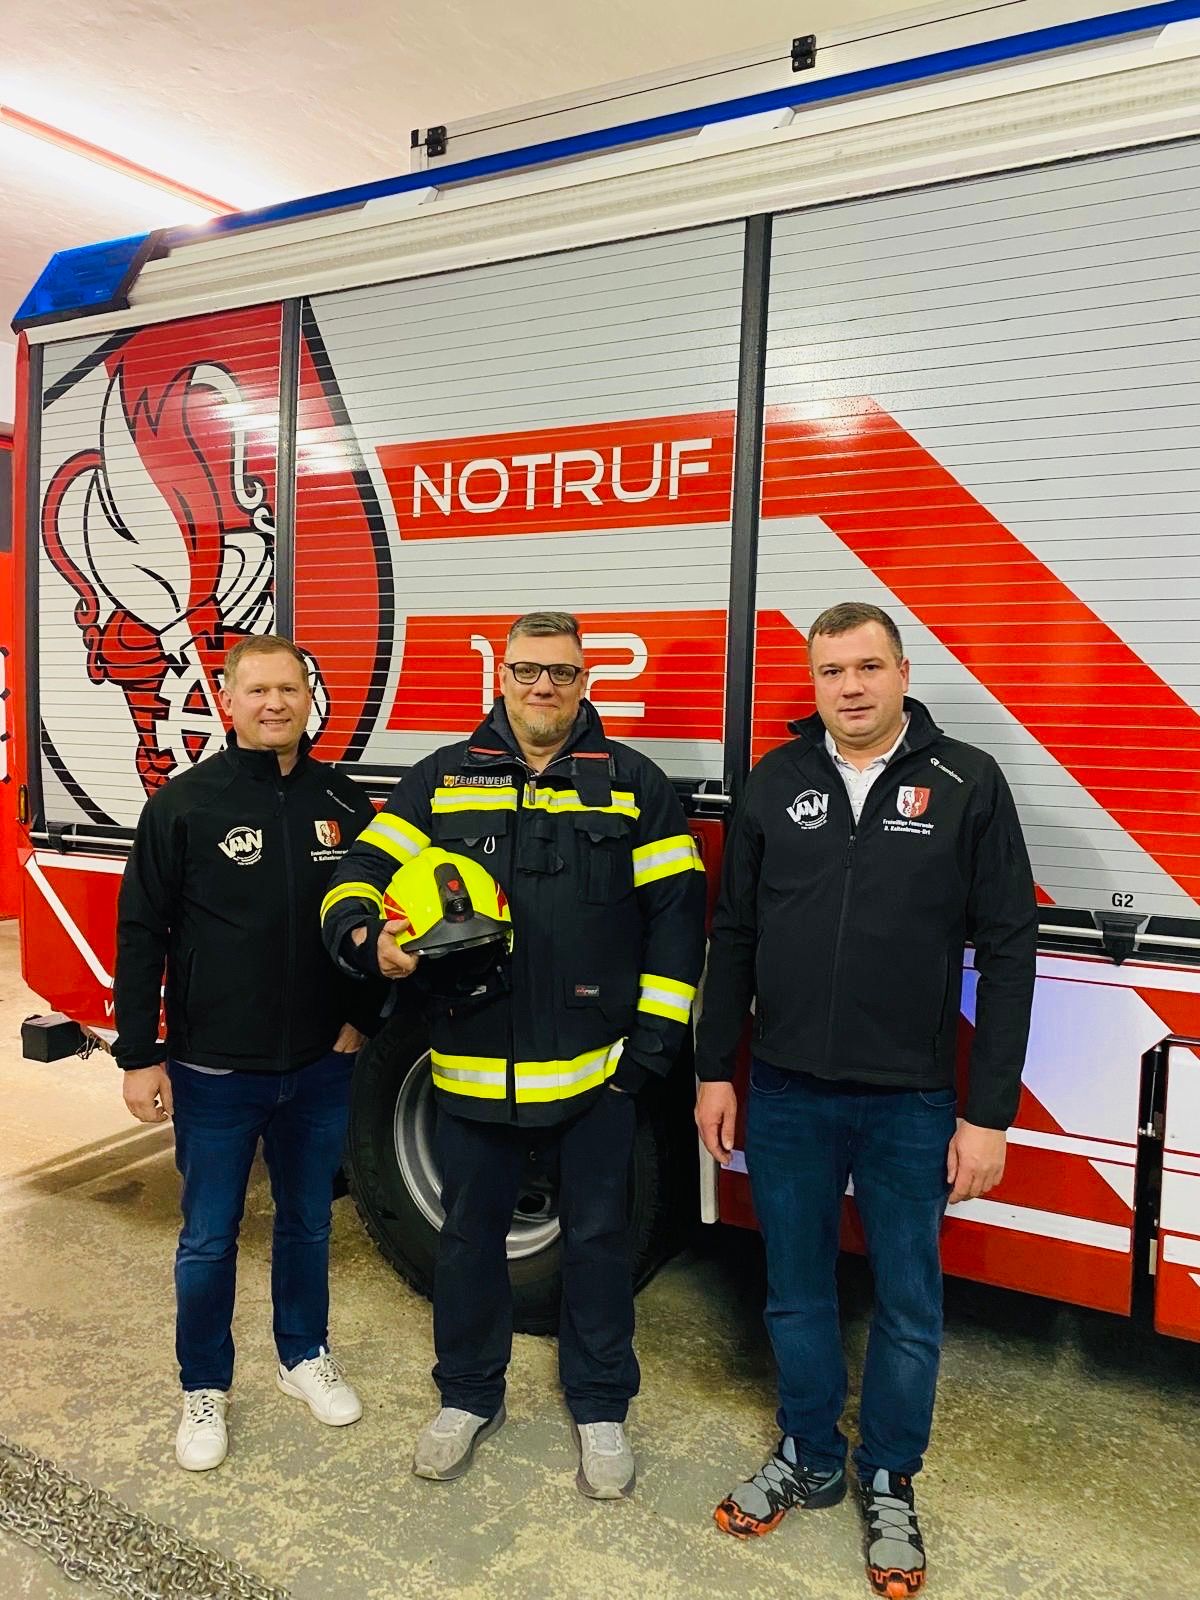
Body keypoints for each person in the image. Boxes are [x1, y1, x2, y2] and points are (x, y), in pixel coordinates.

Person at [321, 611, 706, 1499]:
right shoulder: (441, 780)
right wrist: (368, 941)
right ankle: (466, 1397)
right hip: (468, 1070)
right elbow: (357, 877)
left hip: (595, 1080)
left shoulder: (633, 786)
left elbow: (678, 922)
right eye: (528, 670)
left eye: (562, 673)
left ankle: (600, 1408)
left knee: (599, 1245)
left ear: (585, 683)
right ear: (501, 678)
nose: (544, 687)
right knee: (467, 1243)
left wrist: (646, 1057)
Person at [694, 601, 1036, 1598]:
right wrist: (716, 1069)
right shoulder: (774, 780)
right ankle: (809, 1451)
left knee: (909, 1303)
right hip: (788, 1091)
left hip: (910, 1102)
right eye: (832, 670)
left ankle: (889, 1476)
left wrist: (989, 1113)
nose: (849, 686)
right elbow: (735, 933)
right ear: (814, 681)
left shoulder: (966, 781)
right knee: (794, 1289)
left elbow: (1009, 949)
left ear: (902, 672)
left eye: (868, 666)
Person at [114, 635, 381, 1471]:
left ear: (309, 700)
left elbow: (379, 915)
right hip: (214, 1072)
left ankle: (303, 1355)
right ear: (227, 702)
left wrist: (363, 1015)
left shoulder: (344, 801)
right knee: (208, 1236)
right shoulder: (184, 805)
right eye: (258, 690)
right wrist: (138, 1055)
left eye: (289, 689)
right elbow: (141, 934)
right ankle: (205, 1387)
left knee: (307, 1222)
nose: (275, 703)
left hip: (319, 1066)